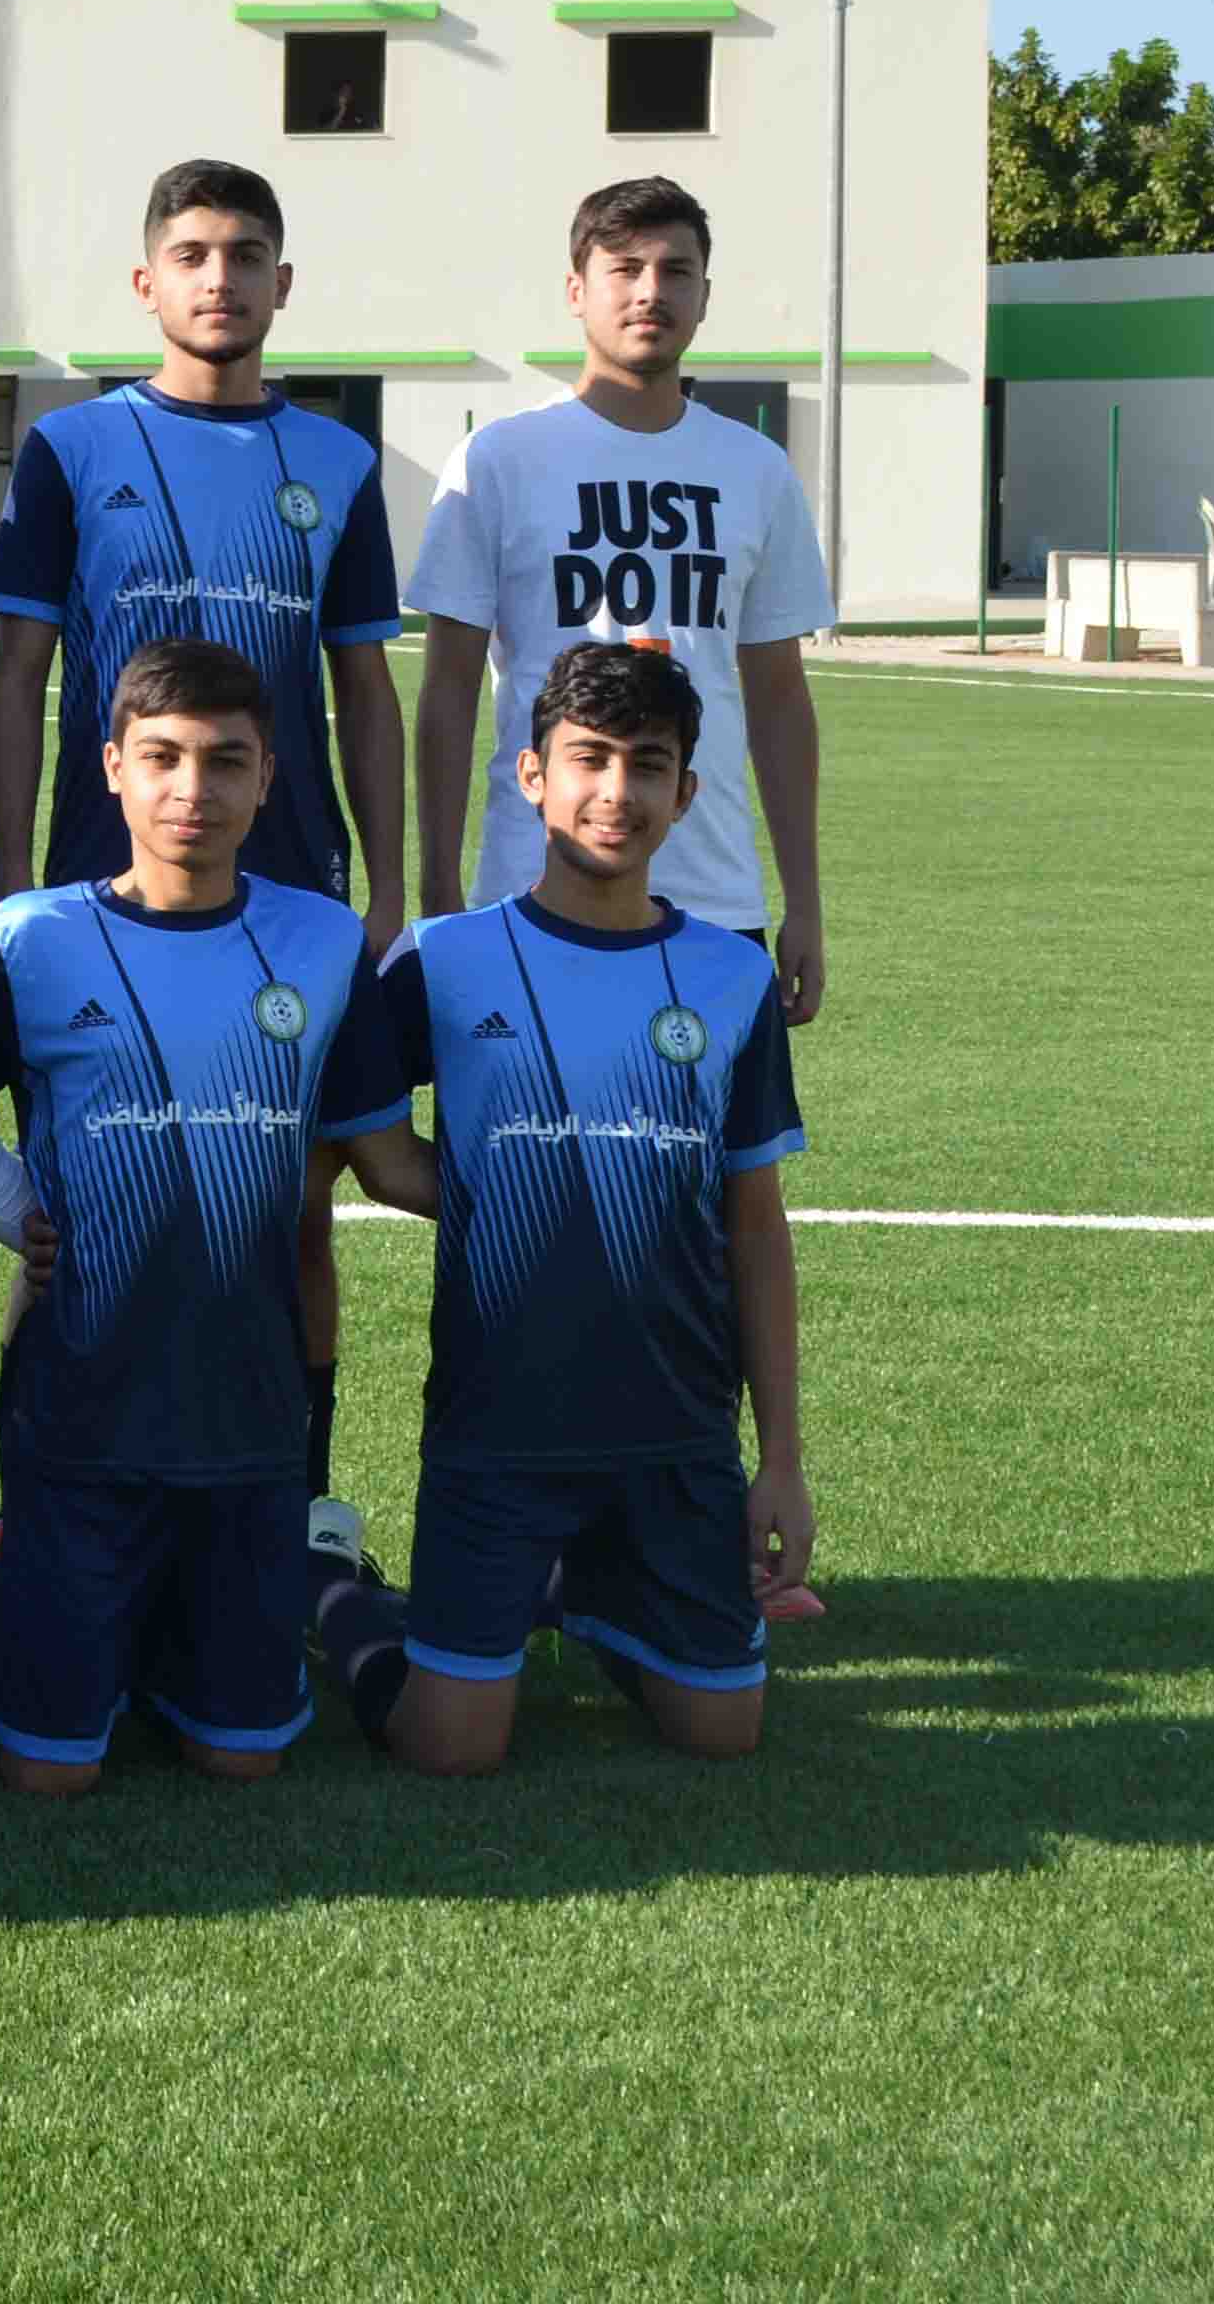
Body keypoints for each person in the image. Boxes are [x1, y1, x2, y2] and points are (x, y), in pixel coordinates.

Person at [0, 639, 407, 1797]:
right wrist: (18, 1217)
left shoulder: (323, 942)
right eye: (162, 757)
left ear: (268, 777)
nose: (193, 789)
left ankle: (194, 1621)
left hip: (248, 1412)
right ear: (110, 768)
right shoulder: (30, 938)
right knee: (49, 1776)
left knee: (239, 1758)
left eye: (225, 761)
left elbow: (385, 1159)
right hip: (78, 1410)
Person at [308, 643, 813, 1769]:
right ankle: (334, 1591)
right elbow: (373, 1154)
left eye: (648, 765)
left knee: (721, 1735)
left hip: (676, 1431)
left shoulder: (728, 979)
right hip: (499, 1428)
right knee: (450, 1749)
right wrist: (512, 1198)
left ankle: (582, 1593)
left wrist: (779, 1456)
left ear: (686, 792)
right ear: (531, 776)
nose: (615, 791)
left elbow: (754, 1225)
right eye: (588, 758)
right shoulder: (445, 960)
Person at [0, 159, 404, 1501]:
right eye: (192, 254)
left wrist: (392, 887)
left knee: (295, 1208)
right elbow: (18, 674)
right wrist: (8, 879)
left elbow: (364, 688)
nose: (219, 279)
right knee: (72, 1208)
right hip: (99, 879)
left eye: (245, 255)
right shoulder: (70, 449)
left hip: (287, 878)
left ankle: (297, 1496)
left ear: (283, 282)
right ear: (145, 280)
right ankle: (34, 1498)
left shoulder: (336, 462)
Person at [407, 176, 832, 1025]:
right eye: (625, 268)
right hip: (531, 882)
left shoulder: (755, 469)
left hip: (711, 892)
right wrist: (438, 888)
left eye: (676, 271)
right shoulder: (499, 460)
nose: (650, 291)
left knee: (708, 1117)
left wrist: (806, 902)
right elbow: (447, 688)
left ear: (705, 295)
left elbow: (781, 697)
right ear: (577, 290)